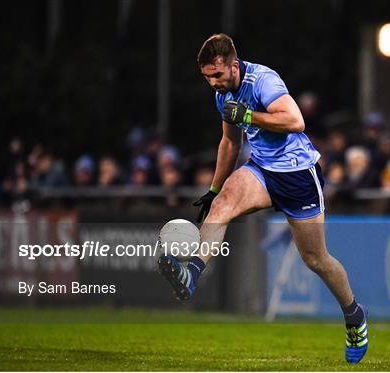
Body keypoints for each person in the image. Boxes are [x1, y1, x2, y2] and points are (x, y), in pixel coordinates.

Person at [157, 33, 368, 364]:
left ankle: (354, 315)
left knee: (316, 260)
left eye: (217, 75)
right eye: (207, 77)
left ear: (234, 65)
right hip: (263, 171)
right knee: (225, 203)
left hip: (299, 175)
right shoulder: (222, 95)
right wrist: (213, 190)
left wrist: (249, 116)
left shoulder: (263, 80)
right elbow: (229, 143)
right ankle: (191, 273)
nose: (212, 83)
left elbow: (295, 121)